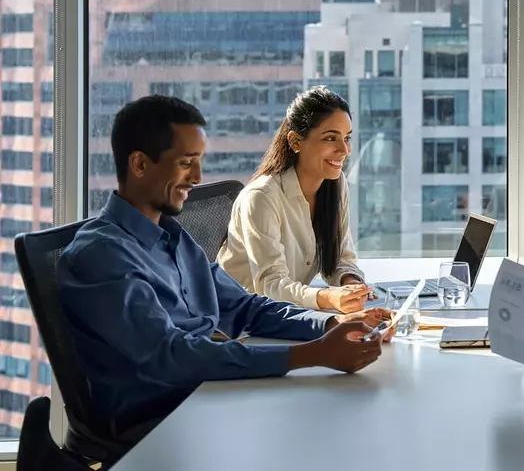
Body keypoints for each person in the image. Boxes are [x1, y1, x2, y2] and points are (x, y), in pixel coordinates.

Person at [59, 96, 391, 445]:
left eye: (199, 162)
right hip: (159, 421)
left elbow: (246, 307)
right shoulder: (101, 256)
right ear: (140, 164)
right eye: (186, 163)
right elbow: (173, 357)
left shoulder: (174, 238)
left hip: (207, 392)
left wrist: (329, 324)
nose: (198, 177)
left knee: (343, 421)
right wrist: (312, 354)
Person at [218, 86, 370, 313]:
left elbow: (340, 257)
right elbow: (270, 284)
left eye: (347, 138)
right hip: (240, 323)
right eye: (331, 138)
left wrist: (351, 286)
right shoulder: (262, 197)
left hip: (287, 315)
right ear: (295, 142)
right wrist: (328, 298)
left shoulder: (335, 185)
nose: (344, 150)